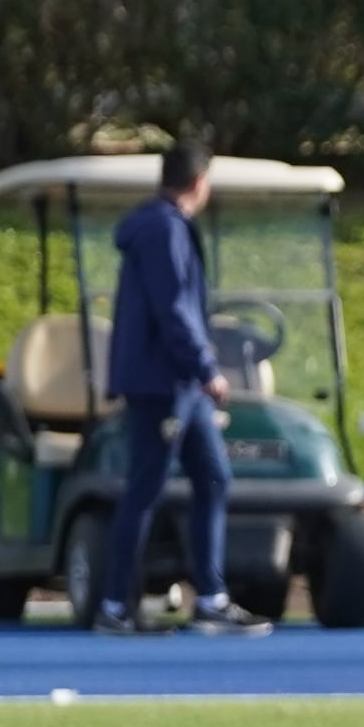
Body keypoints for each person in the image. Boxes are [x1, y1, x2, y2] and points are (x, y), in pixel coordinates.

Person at [90, 142, 268, 637]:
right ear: (199, 182)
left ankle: (210, 597)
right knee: (144, 490)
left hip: (179, 385)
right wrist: (206, 365)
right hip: (164, 383)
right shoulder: (164, 230)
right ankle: (115, 606)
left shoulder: (162, 227)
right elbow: (175, 310)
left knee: (213, 478)